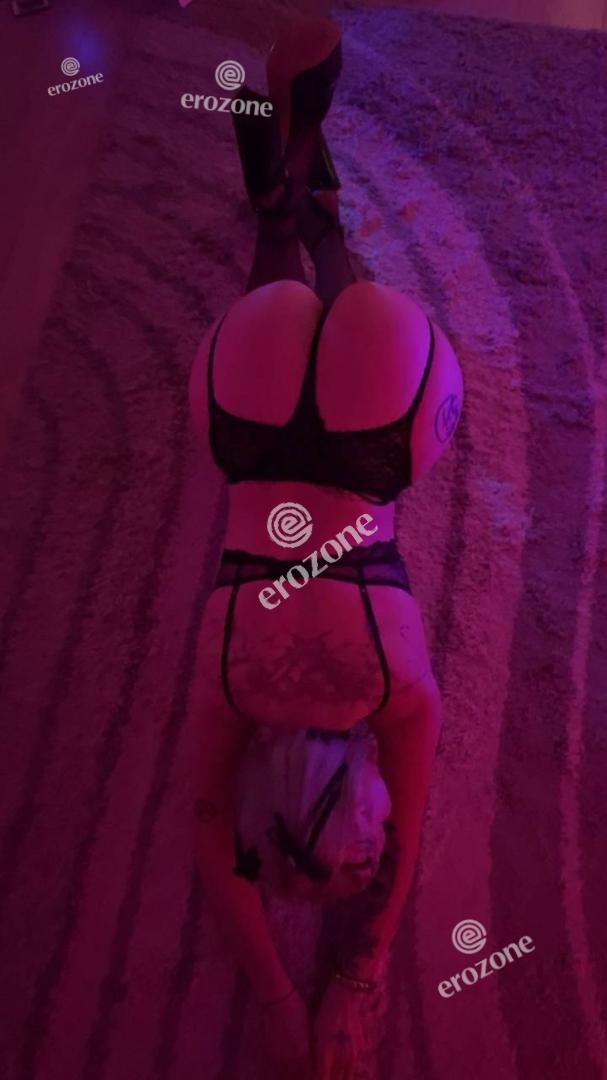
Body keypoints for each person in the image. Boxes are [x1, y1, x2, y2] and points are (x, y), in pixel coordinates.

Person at [187, 17, 463, 1079]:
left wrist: (354, 968)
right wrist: (276, 988)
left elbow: (403, 836)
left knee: (368, 369)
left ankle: (317, 218)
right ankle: (289, 208)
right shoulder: (230, 687)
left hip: (372, 416)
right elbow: (209, 829)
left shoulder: (394, 693)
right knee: (272, 313)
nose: (389, 842)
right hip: (247, 410)